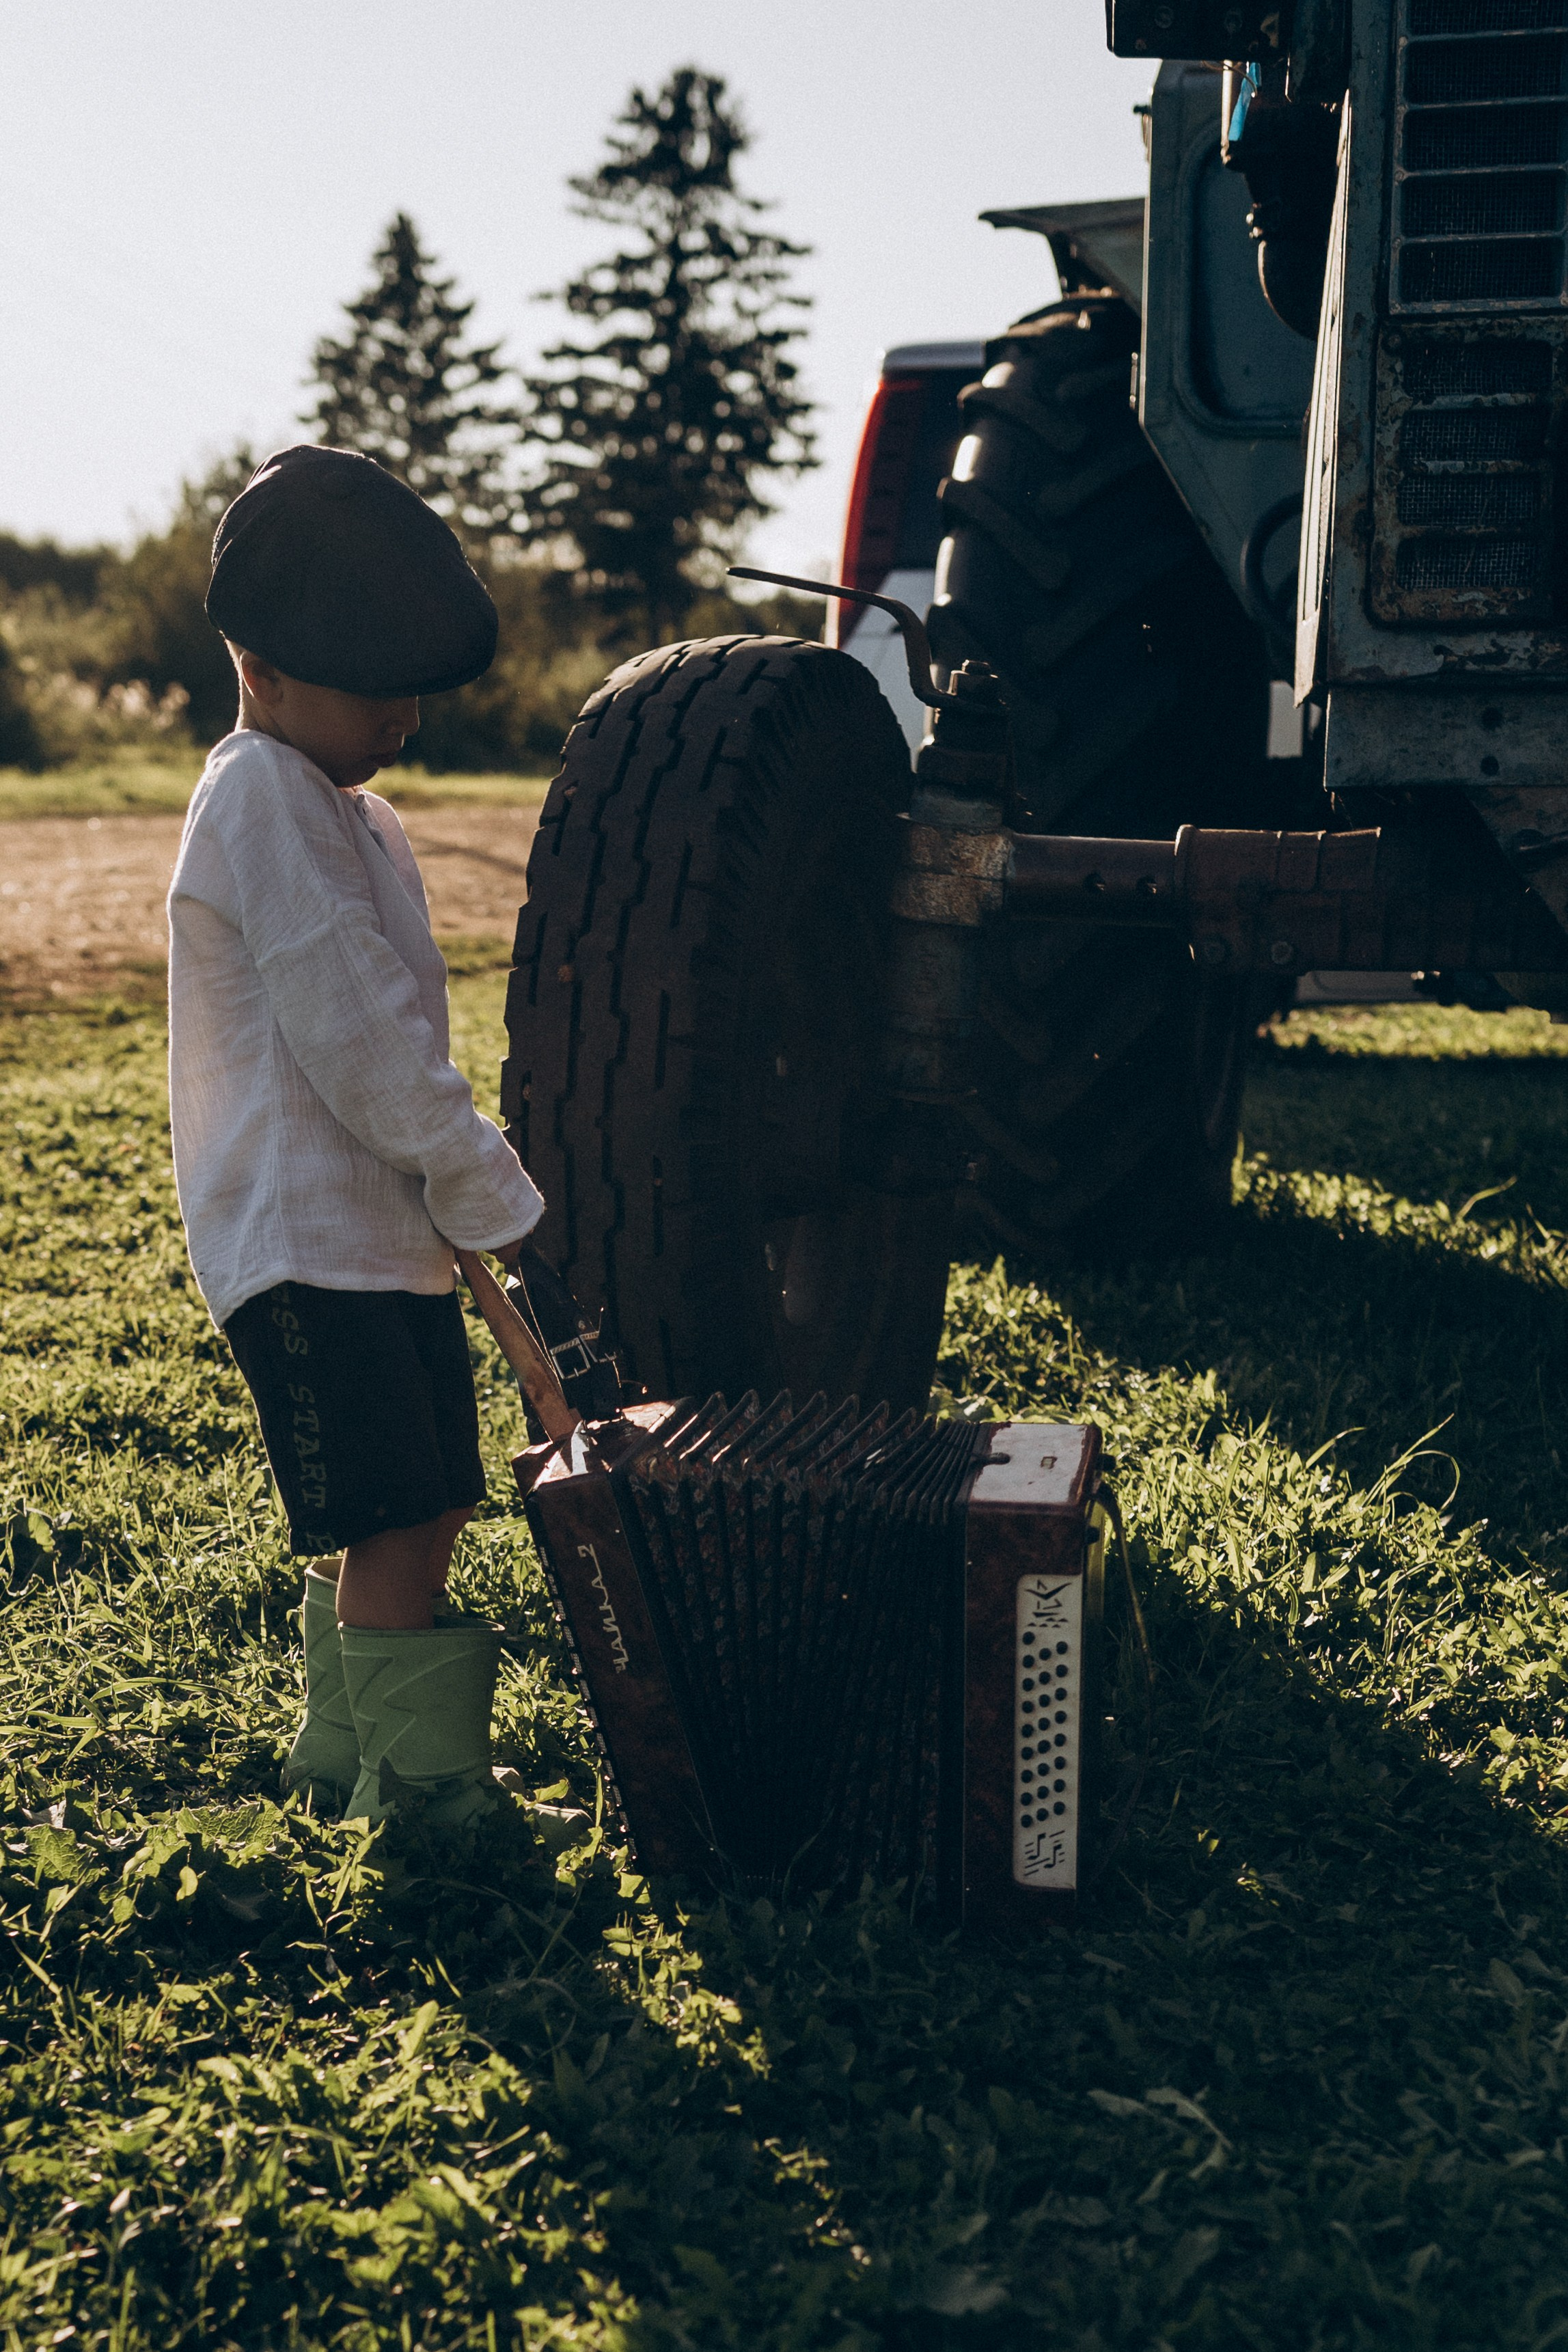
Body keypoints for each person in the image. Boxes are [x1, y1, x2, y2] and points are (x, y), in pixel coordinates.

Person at [167, 443, 544, 1829]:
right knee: (403, 1513)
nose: (405, 716)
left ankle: (341, 1761)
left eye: (417, 689)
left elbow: (388, 1038)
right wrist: (482, 1180)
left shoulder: (348, 809)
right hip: (310, 1242)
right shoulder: (259, 794)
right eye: (375, 688)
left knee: (412, 1497)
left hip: (378, 1240)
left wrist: (446, 1194)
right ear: (260, 668)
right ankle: (430, 1795)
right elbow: (360, 1031)